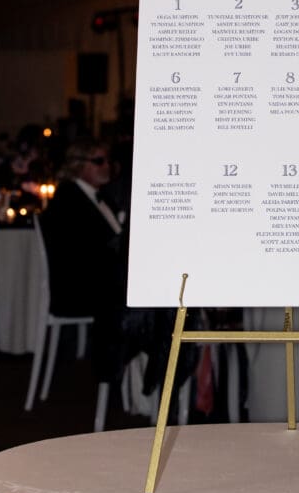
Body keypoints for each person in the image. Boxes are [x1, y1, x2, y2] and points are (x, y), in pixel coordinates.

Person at [41, 138, 194, 396]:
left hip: (101, 284)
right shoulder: (69, 199)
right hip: (81, 291)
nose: (107, 166)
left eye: (108, 160)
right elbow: (88, 255)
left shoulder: (97, 198)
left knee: (162, 301)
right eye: (98, 161)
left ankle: (158, 370)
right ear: (78, 165)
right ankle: (158, 371)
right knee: (155, 306)